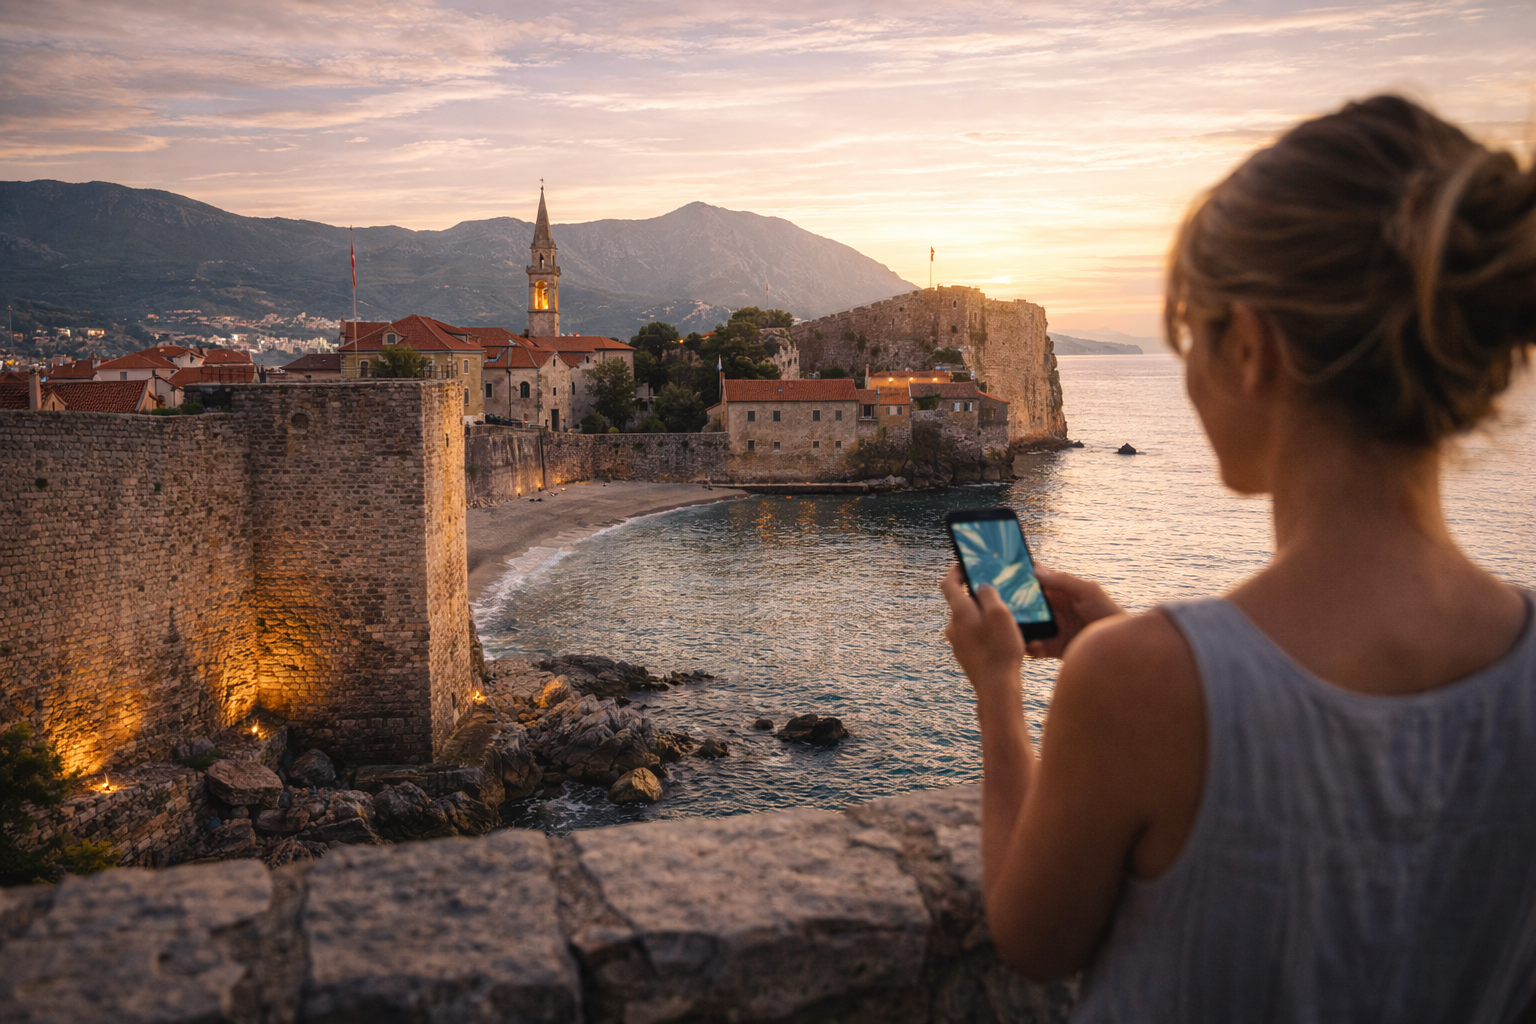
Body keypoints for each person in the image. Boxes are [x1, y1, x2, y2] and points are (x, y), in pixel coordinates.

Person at [942, 95, 1536, 1021]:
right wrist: (1145, 642)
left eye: (1190, 340)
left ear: (1252, 347)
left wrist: (998, 686)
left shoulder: (1137, 684)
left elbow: (1032, 938)